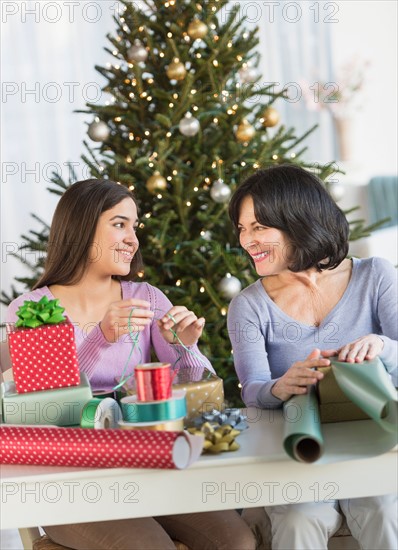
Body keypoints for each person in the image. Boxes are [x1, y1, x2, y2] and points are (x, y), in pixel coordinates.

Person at [5, 178, 256, 550]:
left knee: (236, 540)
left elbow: (201, 387)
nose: (133, 239)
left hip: (146, 466)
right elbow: (45, 406)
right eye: (120, 224)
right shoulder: (31, 310)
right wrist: (100, 339)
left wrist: (185, 348)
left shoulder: (147, 298)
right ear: (81, 228)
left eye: (134, 227)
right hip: (69, 482)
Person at [227, 165, 398, 550]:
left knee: (386, 512)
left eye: (258, 227)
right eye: (242, 228)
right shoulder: (248, 307)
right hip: (298, 456)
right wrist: (281, 386)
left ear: (297, 222)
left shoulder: (376, 277)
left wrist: (381, 347)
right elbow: (253, 392)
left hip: (370, 448)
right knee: (298, 518)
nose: (246, 240)